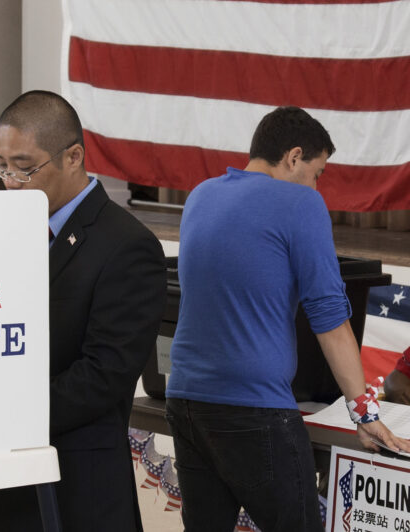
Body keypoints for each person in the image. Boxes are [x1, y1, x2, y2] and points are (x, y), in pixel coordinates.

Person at [166, 106, 410, 532]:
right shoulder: (300, 203)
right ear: (294, 157)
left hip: (186, 399)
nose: (317, 185)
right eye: (318, 172)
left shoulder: (202, 195)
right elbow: (330, 318)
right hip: (253, 409)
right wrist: (364, 413)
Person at [0, 90, 165, 531]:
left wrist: (7, 412)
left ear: (73, 156)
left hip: (78, 488)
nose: (9, 181)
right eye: (0, 165)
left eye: (24, 167)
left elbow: (104, 374)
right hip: (7, 480)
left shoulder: (126, 245)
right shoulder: (4, 230)